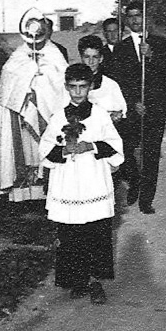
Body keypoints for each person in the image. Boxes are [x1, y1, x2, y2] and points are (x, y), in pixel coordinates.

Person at [39, 63, 123, 305]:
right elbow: (45, 150)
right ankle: (77, 280)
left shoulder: (99, 115)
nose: (77, 93)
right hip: (67, 181)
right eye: (73, 87)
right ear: (66, 87)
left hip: (93, 180)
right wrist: (63, 149)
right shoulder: (58, 116)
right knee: (71, 232)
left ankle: (96, 281)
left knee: (96, 231)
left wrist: (92, 146)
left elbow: (116, 147)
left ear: (90, 87)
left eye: (82, 87)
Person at [108, 1, 166, 214]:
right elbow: (119, 80)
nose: (135, 20)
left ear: (145, 17)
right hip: (133, 109)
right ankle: (135, 185)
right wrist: (132, 102)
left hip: (155, 109)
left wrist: (152, 56)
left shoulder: (160, 43)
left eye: (138, 15)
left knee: (151, 155)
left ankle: (146, 199)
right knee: (127, 151)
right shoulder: (121, 47)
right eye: (130, 16)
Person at [0, 13, 69, 202]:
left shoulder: (54, 53)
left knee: (45, 147)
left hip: (47, 115)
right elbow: (8, 79)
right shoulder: (18, 54)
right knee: (26, 151)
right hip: (23, 115)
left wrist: (42, 81)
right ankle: (25, 193)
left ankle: (49, 188)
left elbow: (61, 82)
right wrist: (27, 77)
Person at [78, 34, 126, 123]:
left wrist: (115, 115)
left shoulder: (110, 84)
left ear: (101, 59)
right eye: (87, 57)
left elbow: (121, 111)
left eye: (95, 57)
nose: (91, 61)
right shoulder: (73, 84)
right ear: (81, 58)